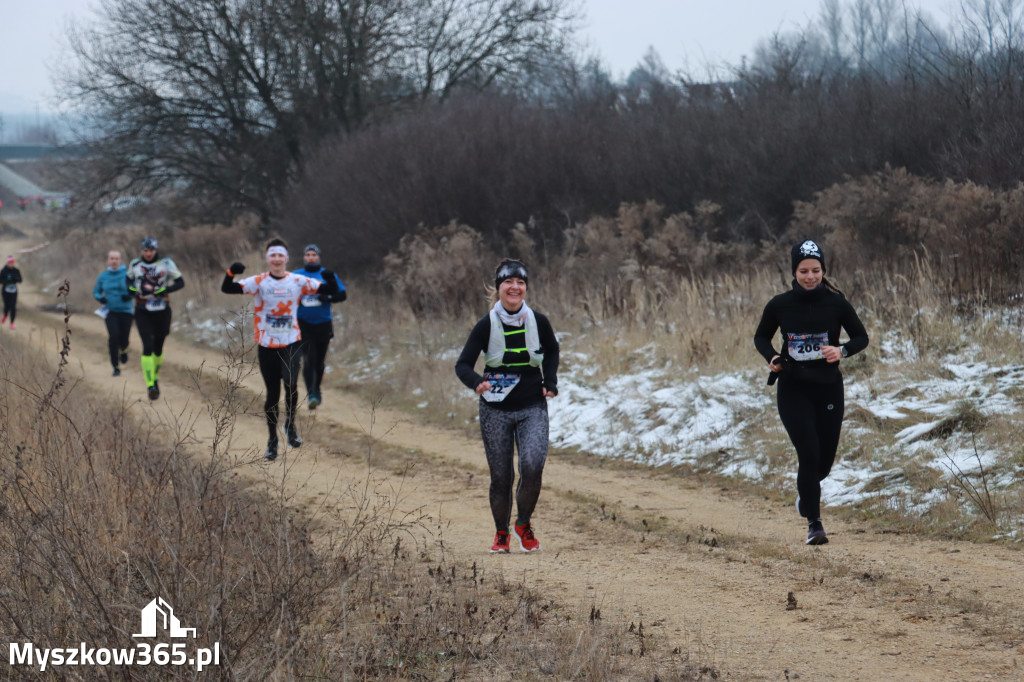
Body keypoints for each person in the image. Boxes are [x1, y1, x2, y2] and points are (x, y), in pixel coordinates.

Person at [754, 240, 869, 546]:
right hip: (793, 388)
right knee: (808, 451)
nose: (810, 276)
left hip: (829, 388)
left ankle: (807, 494)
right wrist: (773, 358)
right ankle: (814, 524)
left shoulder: (837, 304)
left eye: (815, 270)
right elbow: (761, 336)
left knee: (824, 461)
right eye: (804, 271)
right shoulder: (780, 304)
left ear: (823, 271)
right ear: (794, 272)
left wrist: (841, 350)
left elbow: (861, 337)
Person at [455, 259, 559, 553]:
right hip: (495, 410)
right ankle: (501, 533)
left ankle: (523, 524)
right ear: (498, 288)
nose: (515, 287)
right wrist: (476, 382)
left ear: (525, 288)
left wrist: (550, 380)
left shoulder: (539, 321)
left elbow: (552, 349)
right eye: (508, 282)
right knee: (501, 476)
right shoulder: (486, 325)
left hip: (532, 406)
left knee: (532, 466)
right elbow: (462, 364)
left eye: (520, 282)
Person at [221, 238, 340, 461]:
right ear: (268, 259)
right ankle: (272, 441)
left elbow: (330, 289)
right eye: (272, 256)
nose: (276, 259)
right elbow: (227, 288)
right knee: (273, 395)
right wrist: (231, 272)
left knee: (291, 386)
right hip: (267, 345)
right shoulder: (259, 282)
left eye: (280, 256)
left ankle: (290, 425)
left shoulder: (298, 280)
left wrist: (331, 277)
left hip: (291, 342)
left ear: (286, 259)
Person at [127, 236, 185, 400]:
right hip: (142, 309)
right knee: (147, 346)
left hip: (162, 309)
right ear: (141, 251)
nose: (148, 253)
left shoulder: (166, 263)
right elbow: (128, 281)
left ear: (156, 250)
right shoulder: (135, 264)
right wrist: (131, 289)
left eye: (151, 250)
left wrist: (166, 290)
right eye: (145, 250)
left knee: (158, 347)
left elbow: (180, 282)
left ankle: (155, 377)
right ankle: (150, 384)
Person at [296, 244, 347, 409]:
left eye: (314, 255)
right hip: (303, 323)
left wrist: (327, 298)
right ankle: (311, 393)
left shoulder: (326, 274)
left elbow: (342, 295)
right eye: (308, 255)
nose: (311, 257)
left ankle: (317, 388)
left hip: (324, 323)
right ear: (304, 258)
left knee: (319, 361)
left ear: (319, 257)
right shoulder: (296, 275)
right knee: (309, 358)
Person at [93, 250, 134, 376]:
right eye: (112, 258)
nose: (114, 261)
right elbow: (96, 291)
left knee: (124, 338)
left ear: (120, 261)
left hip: (126, 311)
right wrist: (100, 298)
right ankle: (115, 366)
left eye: (116, 258)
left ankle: (124, 350)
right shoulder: (103, 276)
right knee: (114, 336)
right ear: (108, 261)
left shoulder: (128, 275)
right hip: (110, 311)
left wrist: (130, 294)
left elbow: (135, 287)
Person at [0, 256, 23, 329]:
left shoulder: (16, 271)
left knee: (13, 306)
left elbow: (20, 280)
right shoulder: (3, 270)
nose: (11, 264)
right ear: (7, 263)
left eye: (12, 263)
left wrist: (14, 279)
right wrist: (6, 281)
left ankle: (12, 323)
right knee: (7, 305)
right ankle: (5, 315)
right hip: (5, 291)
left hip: (14, 291)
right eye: (10, 263)